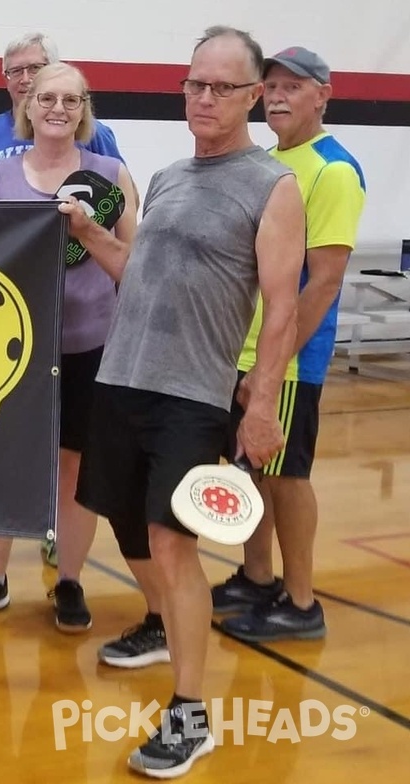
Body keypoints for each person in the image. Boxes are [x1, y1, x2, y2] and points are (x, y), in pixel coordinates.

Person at [70, 26, 304, 777]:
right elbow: (135, 273)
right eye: (194, 84)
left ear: (255, 95)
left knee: (173, 545)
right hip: (122, 380)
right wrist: (87, 232)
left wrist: (262, 403)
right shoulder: (168, 177)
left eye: (223, 88)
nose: (204, 99)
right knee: (126, 525)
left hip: (190, 396)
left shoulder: (272, 186)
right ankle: (165, 624)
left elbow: (281, 305)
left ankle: (190, 714)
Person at [0, 63, 138, 633]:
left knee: (73, 468)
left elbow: (137, 262)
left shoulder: (112, 173)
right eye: (47, 97)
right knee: (0, 464)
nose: (58, 108)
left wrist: (91, 232)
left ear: (84, 109)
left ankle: (69, 581)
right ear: (27, 106)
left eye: (70, 99)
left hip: (89, 344)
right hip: (9, 351)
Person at [214, 47, 366, 642]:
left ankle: (301, 604)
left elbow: (324, 278)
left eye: (293, 87)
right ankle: (257, 578)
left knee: (287, 475)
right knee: (251, 468)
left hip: (291, 360)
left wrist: (273, 367)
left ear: (323, 95)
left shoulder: (331, 171)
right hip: (243, 350)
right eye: (270, 85)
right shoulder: (273, 164)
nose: (277, 96)